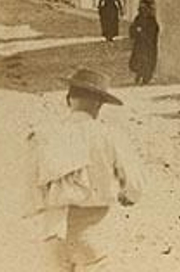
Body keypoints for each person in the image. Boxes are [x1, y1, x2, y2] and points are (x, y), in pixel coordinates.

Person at [27, 65, 142, 271]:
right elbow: (134, 184)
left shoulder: (45, 135)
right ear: (99, 105)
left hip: (53, 228)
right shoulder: (110, 135)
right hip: (92, 226)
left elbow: (30, 183)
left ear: (68, 99)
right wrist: (128, 195)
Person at [128, 0, 159, 86]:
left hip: (148, 43)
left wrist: (143, 33)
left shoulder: (151, 18)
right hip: (141, 42)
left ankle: (145, 77)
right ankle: (140, 75)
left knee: (148, 60)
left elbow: (155, 29)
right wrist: (136, 32)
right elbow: (133, 27)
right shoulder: (140, 17)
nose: (142, 9)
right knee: (139, 59)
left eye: (144, 7)